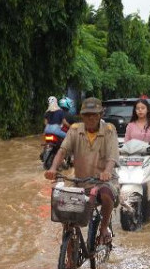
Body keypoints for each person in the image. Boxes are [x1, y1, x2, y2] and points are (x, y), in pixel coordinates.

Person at [44, 97, 119, 245]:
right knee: (67, 214)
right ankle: (70, 254)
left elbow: (112, 156)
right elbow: (62, 151)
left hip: (104, 181)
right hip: (81, 183)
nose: (90, 118)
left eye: (94, 114)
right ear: (82, 116)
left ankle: (103, 228)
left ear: (100, 115)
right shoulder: (74, 130)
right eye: (86, 115)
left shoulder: (109, 130)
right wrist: (53, 168)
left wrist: (107, 171)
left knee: (106, 195)